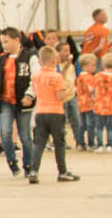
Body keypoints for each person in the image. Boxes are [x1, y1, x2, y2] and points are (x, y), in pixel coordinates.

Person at [25, 47, 78, 184]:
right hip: (56, 112)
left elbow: (34, 91)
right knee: (59, 143)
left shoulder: (36, 76)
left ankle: (33, 170)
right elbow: (60, 96)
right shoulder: (56, 77)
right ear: (54, 61)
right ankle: (62, 171)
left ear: (40, 61)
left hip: (40, 112)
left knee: (39, 143)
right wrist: (70, 89)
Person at [0, 29, 33, 174]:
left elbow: (35, 79)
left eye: (6, 41)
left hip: (22, 102)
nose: (3, 45)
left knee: (25, 136)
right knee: (5, 133)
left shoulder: (30, 57)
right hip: (5, 102)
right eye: (2, 42)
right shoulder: (1, 60)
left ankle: (28, 165)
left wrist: (30, 96)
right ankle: (11, 161)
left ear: (17, 39)